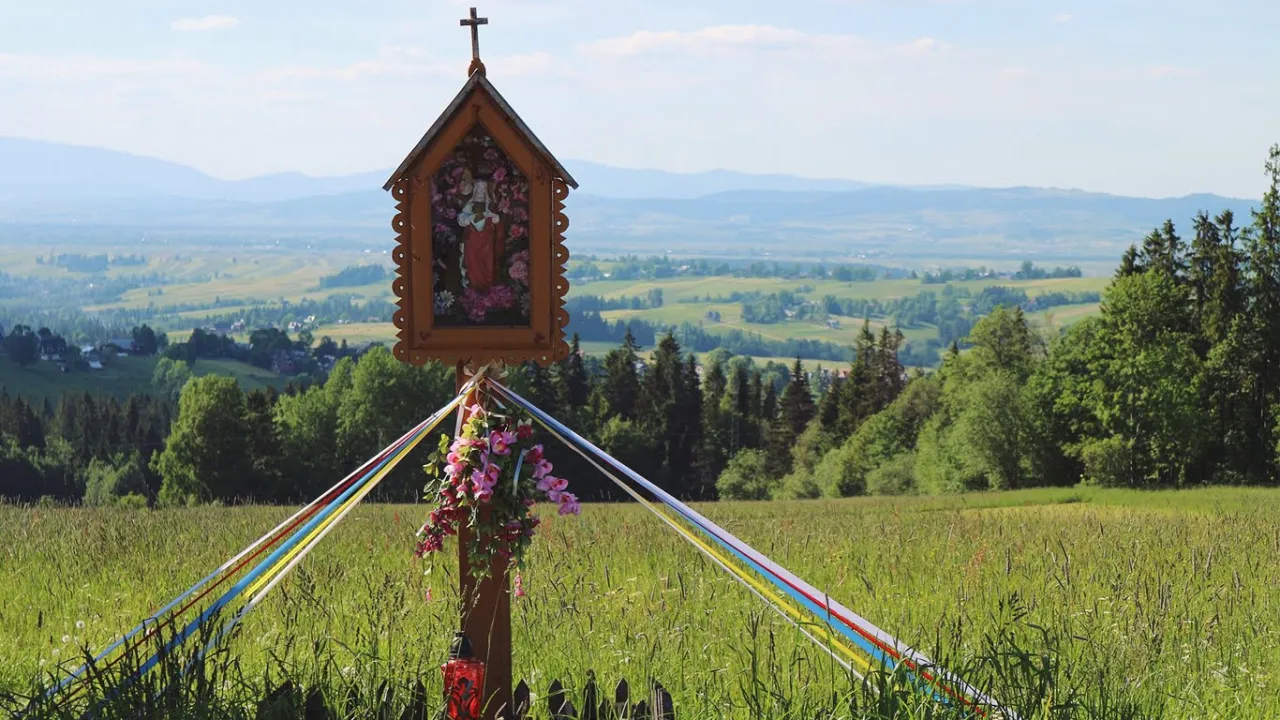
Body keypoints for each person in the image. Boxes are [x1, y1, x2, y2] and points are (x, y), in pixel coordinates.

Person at [458, 175, 503, 291]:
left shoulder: (490, 206)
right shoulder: (469, 205)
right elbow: (461, 219)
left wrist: (492, 216)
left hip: (487, 242)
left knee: (488, 264)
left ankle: (487, 287)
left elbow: (497, 221)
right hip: (472, 241)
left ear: (486, 192)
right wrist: (469, 218)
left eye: (482, 190)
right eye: (477, 189)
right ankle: (473, 286)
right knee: (472, 264)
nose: (479, 192)